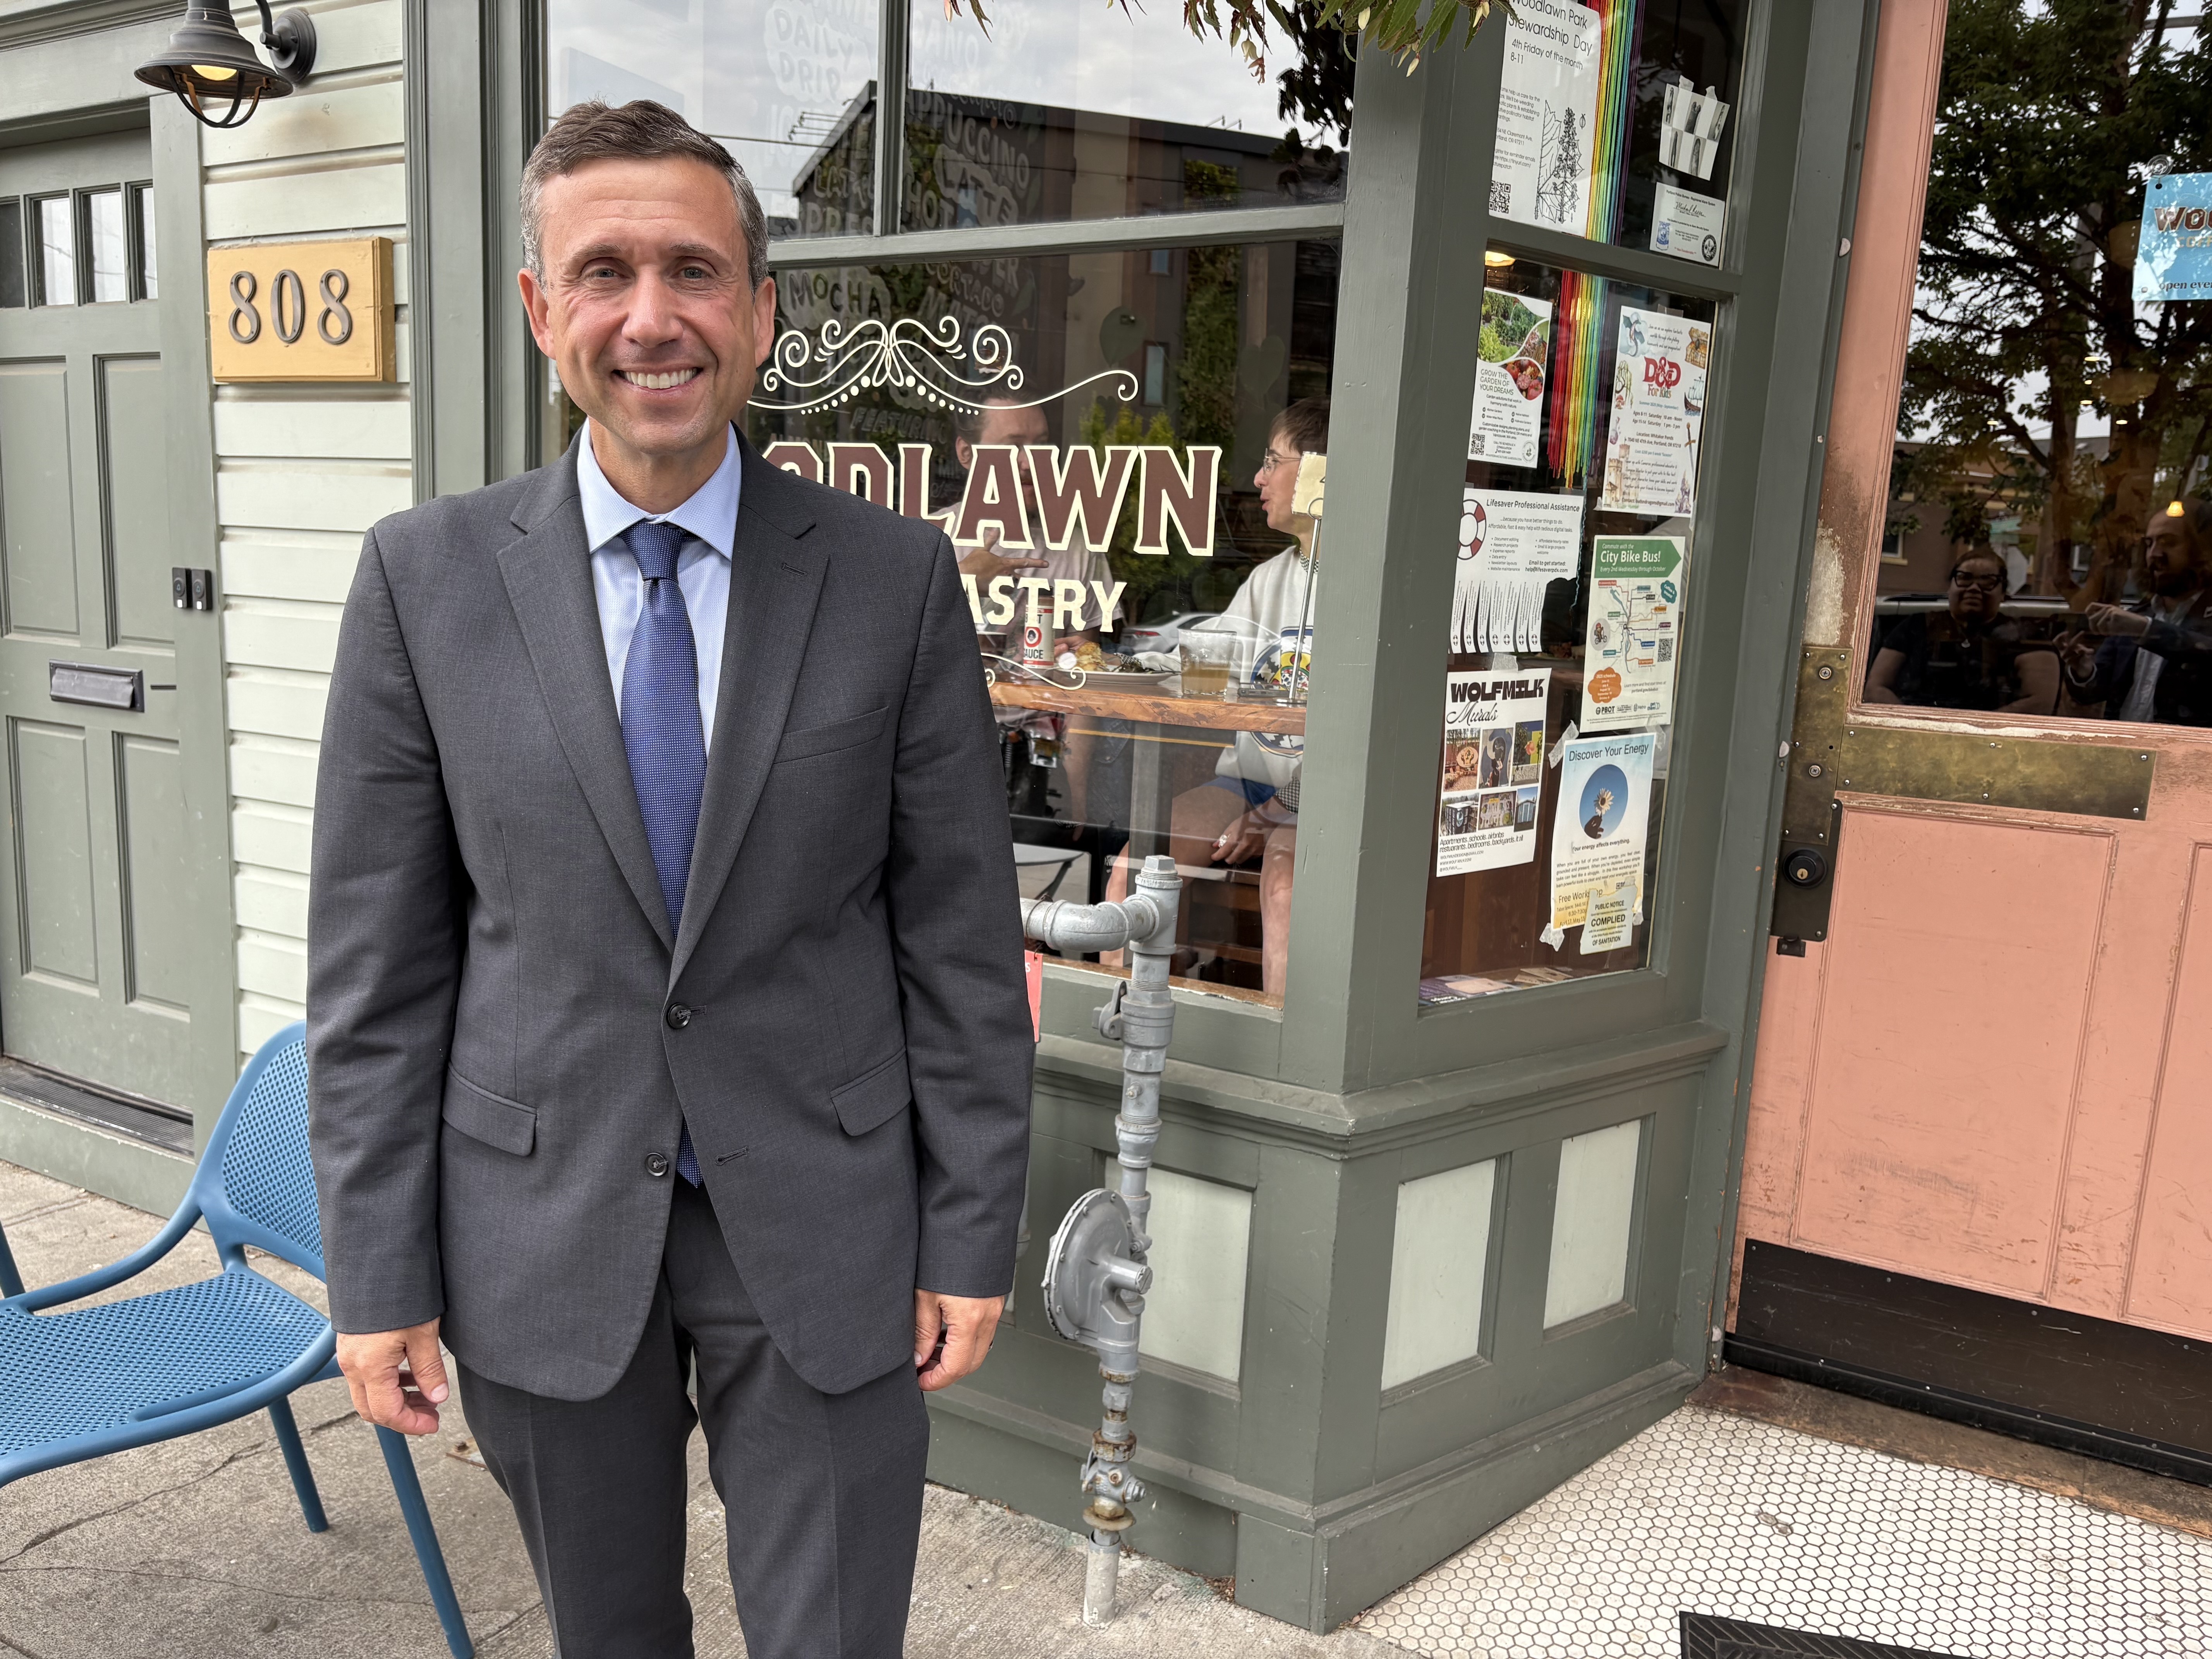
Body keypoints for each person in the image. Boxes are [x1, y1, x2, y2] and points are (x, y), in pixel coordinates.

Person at [306, 99, 1034, 1659]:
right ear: (538, 309)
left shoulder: (891, 580)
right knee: (608, 1637)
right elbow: (378, 976)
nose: (653, 317)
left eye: (696, 271)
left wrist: (973, 1231)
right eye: (606, 271)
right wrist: (377, 1276)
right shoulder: (421, 582)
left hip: (829, 1221)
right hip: (540, 1224)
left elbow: (959, 942)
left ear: (761, 312)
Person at [1105, 398, 1326, 999]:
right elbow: (1203, 663)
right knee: (1132, 869)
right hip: (1246, 780)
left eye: (1273, 461)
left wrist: (1278, 809)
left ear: (1320, 473)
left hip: (1322, 801)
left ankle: (1281, 1074)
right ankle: (1118, 1035)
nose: (1258, 478)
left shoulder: (1370, 586)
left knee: (1285, 882)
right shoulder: (1268, 578)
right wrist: (1112, 665)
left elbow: (1364, 741)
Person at [2061, 496, 2212, 726]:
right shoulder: (2141, 613)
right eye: (2149, 544)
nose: (2154, 555)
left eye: (2168, 543)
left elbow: (2205, 651)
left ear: (2202, 551)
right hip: (2127, 751)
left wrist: (2146, 630)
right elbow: (2093, 693)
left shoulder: (2138, 622)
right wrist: (2084, 671)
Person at [1865, 546, 2058, 713]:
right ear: (1950, 588)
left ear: (2004, 594)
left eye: (1987, 581)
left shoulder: (2026, 637)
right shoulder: (1917, 626)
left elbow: (2040, 703)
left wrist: (1974, 730)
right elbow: (1876, 688)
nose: (1974, 588)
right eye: (1964, 578)